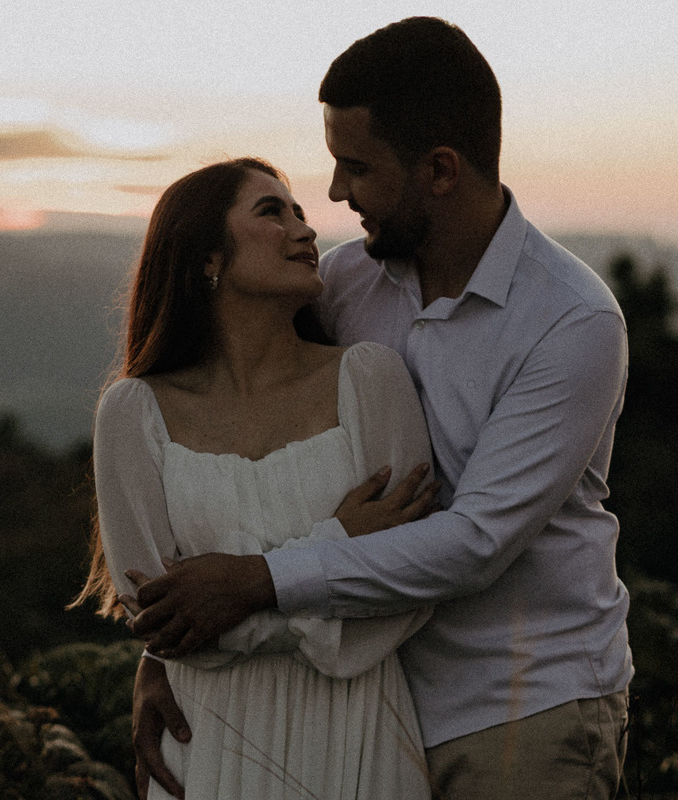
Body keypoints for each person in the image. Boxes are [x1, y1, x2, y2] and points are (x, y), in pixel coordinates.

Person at [127, 17, 632, 800]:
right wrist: (166, 649)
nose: (334, 194)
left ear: (440, 170)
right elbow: (250, 454)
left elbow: (474, 543)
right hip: (366, 702)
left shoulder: (570, 321)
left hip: (520, 707)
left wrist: (257, 582)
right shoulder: (344, 286)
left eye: (356, 168)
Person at [74, 155, 438, 799]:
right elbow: (161, 621)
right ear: (207, 257)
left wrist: (235, 594)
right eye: (273, 213)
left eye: (300, 212)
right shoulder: (134, 412)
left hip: (358, 732)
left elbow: (411, 579)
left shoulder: (369, 379)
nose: (305, 230)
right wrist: (336, 547)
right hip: (206, 743)